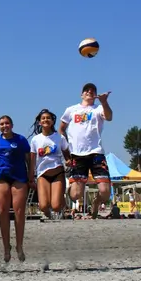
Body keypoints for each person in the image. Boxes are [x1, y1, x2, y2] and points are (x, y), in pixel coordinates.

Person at [59, 82, 113, 218]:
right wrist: (66, 146)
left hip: (96, 152)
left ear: (95, 95)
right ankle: (68, 188)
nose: (89, 91)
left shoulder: (98, 108)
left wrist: (104, 102)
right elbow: (61, 128)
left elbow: (109, 117)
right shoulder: (71, 110)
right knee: (76, 194)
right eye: (86, 90)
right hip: (77, 154)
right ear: (81, 94)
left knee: (105, 192)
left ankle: (96, 203)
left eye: (92, 90)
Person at [0, 115, 32, 263]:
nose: (4, 126)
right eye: (1, 124)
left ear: (12, 125)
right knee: (2, 212)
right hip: (1, 177)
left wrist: (31, 176)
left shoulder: (21, 140)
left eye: (7, 123)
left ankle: (20, 245)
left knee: (19, 211)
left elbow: (29, 159)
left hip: (19, 177)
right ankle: (6, 247)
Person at [29, 109, 71, 221]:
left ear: (52, 121)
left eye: (48, 118)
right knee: (43, 206)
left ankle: (61, 206)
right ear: (39, 122)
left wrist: (68, 161)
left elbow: (67, 155)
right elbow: (32, 160)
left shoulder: (59, 137)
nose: (46, 120)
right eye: (43, 118)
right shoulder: (35, 140)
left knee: (56, 206)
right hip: (42, 174)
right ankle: (48, 214)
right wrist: (30, 178)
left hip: (57, 172)